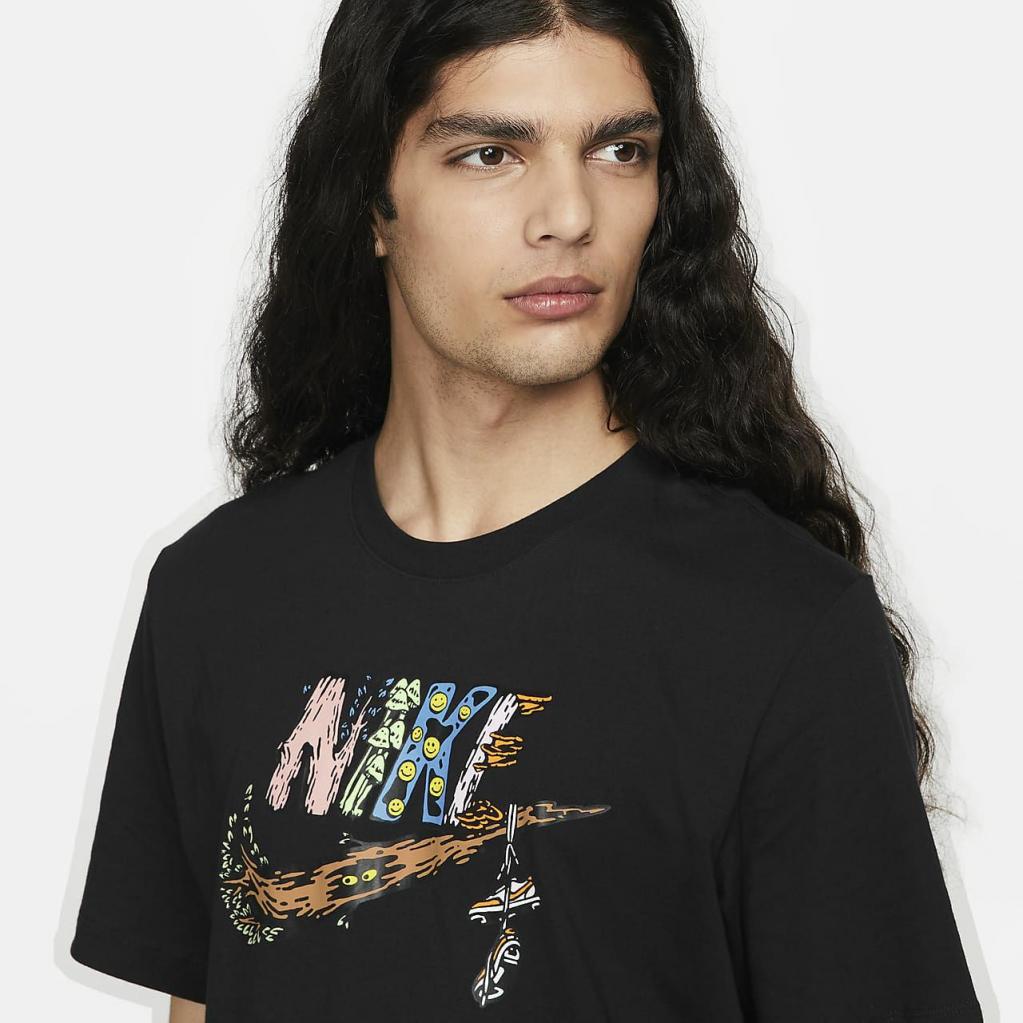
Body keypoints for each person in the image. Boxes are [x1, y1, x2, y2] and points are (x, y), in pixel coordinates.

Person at [68, 1, 984, 1020]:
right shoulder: (217, 591)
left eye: (620, 151)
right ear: (372, 205)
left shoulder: (779, 625)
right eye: (490, 154)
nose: (569, 215)